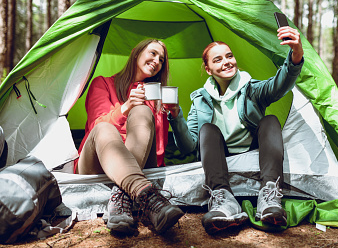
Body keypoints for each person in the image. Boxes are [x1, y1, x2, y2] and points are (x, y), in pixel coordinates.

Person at [165, 26, 304, 234]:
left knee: (270, 121)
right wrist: (176, 117)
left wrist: (296, 53)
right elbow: (188, 147)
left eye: (229, 56)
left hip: (252, 150)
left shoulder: (252, 89)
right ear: (208, 69)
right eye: (218, 59)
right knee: (207, 130)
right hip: (218, 157)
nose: (227, 62)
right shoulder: (200, 100)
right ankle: (223, 200)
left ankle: (269, 196)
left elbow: (279, 85)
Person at [75, 39, 184, 235]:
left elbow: (158, 152)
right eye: (152, 53)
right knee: (103, 129)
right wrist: (126, 107)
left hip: (140, 165)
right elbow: (95, 127)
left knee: (142, 111)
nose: (156, 61)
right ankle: (147, 196)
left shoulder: (155, 98)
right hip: (95, 163)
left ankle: (121, 196)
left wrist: (170, 116)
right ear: (136, 53)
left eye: (161, 59)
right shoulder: (103, 83)